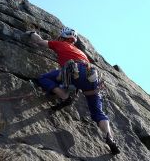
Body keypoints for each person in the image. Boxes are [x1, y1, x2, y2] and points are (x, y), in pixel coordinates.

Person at [26, 27, 120, 155]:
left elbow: (40, 42)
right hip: (91, 74)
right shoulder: (81, 53)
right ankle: (109, 136)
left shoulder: (60, 43)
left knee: (43, 78)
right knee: (98, 113)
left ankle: (64, 95)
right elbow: (87, 91)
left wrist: (32, 33)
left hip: (73, 70)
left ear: (63, 37)